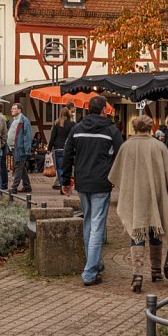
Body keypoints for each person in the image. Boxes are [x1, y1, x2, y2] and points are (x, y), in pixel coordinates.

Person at [108, 115, 168, 292]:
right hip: (155, 195)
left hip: (134, 196)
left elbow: (116, 174)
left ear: (135, 128)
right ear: (150, 128)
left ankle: (137, 274)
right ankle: (156, 271)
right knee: (155, 229)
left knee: (137, 232)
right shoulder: (159, 146)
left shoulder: (126, 146)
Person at [61, 95, 123, 286]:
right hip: (101, 183)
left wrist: (65, 180)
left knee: (88, 221)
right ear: (104, 110)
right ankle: (90, 271)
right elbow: (121, 155)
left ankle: (93, 263)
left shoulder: (77, 129)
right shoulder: (110, 130)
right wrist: (112, 175)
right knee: (97, 225)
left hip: (82, 182)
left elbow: (67, 154)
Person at [8, 104, 33, 194]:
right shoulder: (14, 120)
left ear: (19, 110)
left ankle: (14, 187)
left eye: (14, 109)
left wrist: (27, 150)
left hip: (20, 149)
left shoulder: (24, 120)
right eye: (11, 109)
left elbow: (28, 135)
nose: (11, 110)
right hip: (14, 148)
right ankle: (27, 186)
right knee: (21, 168)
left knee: (18, 167)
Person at [48, 107, 73, 189]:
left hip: (58, 148)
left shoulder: (57, 123)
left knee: (59, 168)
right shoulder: (72, 123)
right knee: (67, 167)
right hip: (68, 148)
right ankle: (66, 184)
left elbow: (52, 137)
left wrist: (49, 148)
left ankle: (62, 185)